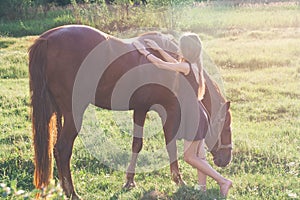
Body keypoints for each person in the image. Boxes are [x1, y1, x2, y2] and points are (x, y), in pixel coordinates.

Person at [133, 33, 232, 197]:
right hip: (200, 113)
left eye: (180, 47)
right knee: (200, 155)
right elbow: (173, 63)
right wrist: (158, 48)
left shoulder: (186, 67)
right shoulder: (193, 66)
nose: (177, 49)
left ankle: (223, 181)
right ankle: (202, 189)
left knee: (189, 157)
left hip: (193, 115)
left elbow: (161, 64)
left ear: (185, 50)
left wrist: (144, 51)